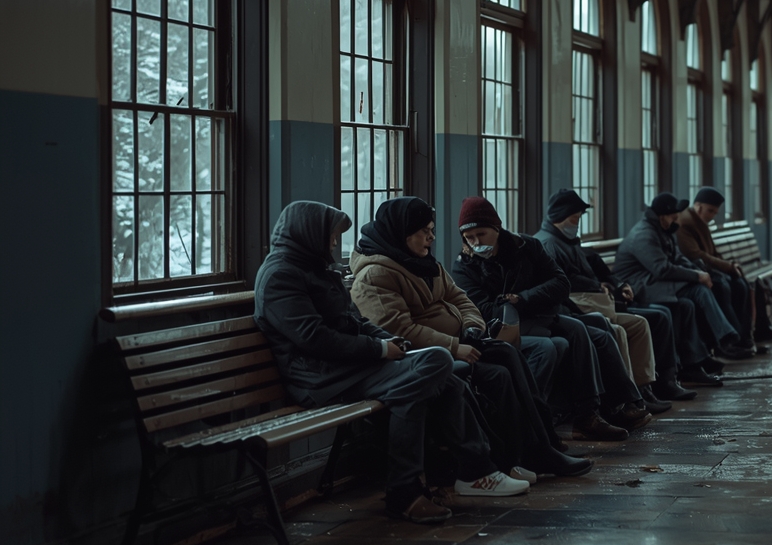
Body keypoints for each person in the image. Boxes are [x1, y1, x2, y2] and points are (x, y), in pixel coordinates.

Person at [253, 201, 528, 524]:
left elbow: (353, 320)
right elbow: (313, 337)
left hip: (348, 368)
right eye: (330, 236)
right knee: (435, 366)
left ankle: (457, 476)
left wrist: (389, 341)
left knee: (442, 376)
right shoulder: (280, 276)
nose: (334, 243)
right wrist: (379, 349)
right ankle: (421, 487)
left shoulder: (313, 267)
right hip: (319, 378)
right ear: (308, 233)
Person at [348, 196, 592, 479]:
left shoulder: (424, 263)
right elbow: (399, 330)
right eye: (423, 232)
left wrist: (472, 328)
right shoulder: (375, 275)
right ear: (401, 233)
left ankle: (539, 448)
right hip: (427, 356)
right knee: (499, 375)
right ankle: (514, 457)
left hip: (461, 342)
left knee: (508, 354)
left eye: (432, 230)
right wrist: (455, 346)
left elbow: (461, 300)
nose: (431, 238)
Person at [450, 196, 650, 441]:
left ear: (496, 228)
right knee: (574, 333)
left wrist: (521, 298)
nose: (476, 243)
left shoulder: (527, 247)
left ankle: (610, 407)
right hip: (505, 327)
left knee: (588, 329)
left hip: (537, 315)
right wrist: (523, 302)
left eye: (481, 234)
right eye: (469, 238)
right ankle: (590, 414)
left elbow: (561, 283)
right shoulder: (464, 266)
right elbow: (484, 309)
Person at [535, 189, 695, 408]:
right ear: (560, 217)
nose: (577, 224)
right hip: (580, 308)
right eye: (575, 219)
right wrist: (599, 285)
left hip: (598, 303)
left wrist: (616, 284)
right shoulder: (550, 244)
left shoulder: (567, 240)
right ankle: (632, 396)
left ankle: (645, 387)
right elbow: (565, 281)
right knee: (640, 322)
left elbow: (596, 268)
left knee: (644, 322)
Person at [612, 193, 755, 381]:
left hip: (656, 283)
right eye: (674, 215)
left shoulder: (663, 230)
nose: (677, 218)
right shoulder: (644, 235)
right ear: (663, 215)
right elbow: (661, 269)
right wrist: (697, 276)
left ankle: (696, 361)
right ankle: (723, 337)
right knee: (698, 290)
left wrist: (700, 273)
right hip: (640, 288)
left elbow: (679, 258)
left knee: (687, 305)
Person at [677, 187, 772, 350]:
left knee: (740, 284)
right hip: (696, 271)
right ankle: (731, 340)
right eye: (710, 211)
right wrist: (728, 267)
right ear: (699, 207)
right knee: (723, 287)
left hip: (707, 269)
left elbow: (712, 252)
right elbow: (695, 254)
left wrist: (731, 267)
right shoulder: (686, 223)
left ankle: (744, 337)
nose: (712, 215)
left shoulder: (699, 221)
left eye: (715, 212)